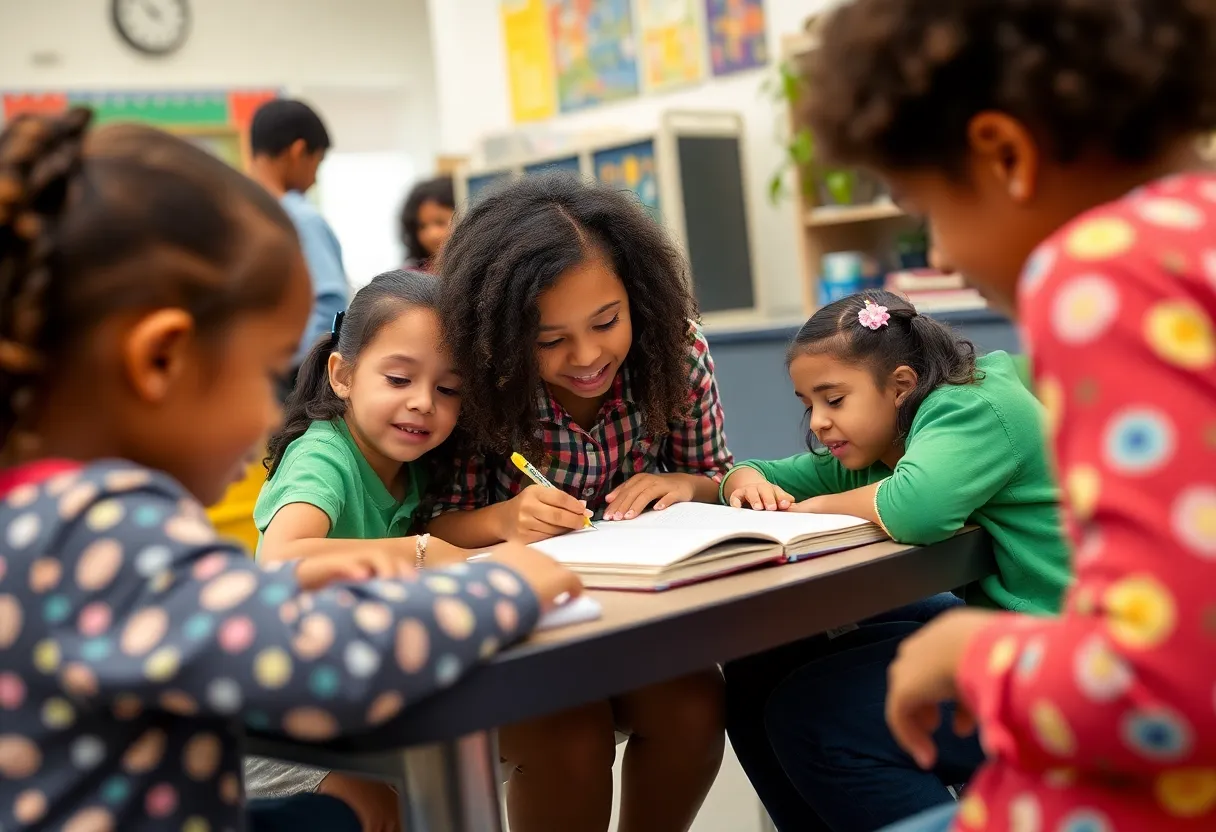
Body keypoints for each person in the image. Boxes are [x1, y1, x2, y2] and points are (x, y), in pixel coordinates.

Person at [0, 108, 581, 832]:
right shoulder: (101, 531)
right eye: (268, 372)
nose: (272, 410)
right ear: (161, 360)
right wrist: (502, 588)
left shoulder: (42, 516)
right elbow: (320, 666)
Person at [799, 1, 1216, 829]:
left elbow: (1167, 687)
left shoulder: (1102, 275)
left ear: (1005, 155)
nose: (939, 253)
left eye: (929, 209)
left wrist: (977, 655)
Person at [429, 172, 732, 832]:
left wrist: (685, 485)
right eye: (550, 340)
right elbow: (431, 528)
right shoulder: (478, 379)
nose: (588, 355)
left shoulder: (675, 353)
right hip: (518, 634)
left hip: (634, 620)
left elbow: (715, 477)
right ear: (503, 335)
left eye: (607, 322)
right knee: (569, 738)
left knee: (695, 706)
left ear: (638, 297)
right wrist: (504, 519)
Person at [716, 291, 1068, 831]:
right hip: (1011, 627)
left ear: (901, 385)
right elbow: (766, 472)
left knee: (812, 716)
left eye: (834, 400)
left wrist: (815, 507)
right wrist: (739, 481)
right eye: (808, 404)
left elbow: (917, 510)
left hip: (1067, 660)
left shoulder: (970, 406)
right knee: (759, 668)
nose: (818, 423)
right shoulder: (890, 436)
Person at [242, 268, 478, 829]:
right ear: (342, 375)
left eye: (448, 390)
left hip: (350, 700)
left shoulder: (408, 464)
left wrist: (508, 520)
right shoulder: (323, 456)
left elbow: (437, 529)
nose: (423, 403)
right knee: (387, 813)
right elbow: (281, 559)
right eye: (399, 379)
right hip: (277, 726)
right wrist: (419, 552)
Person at [249, 98, 349, 387]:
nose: (314, 179)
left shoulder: (239, 212)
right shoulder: (299, 218)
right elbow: (329, 301)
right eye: (317, 163)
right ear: (298, 151)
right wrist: (298, 367)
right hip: (293, 377)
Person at [398, 176, 455, 272]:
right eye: (422, 226)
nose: (431, 234)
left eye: (440, 222)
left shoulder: (477, 267)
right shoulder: (412, 275)